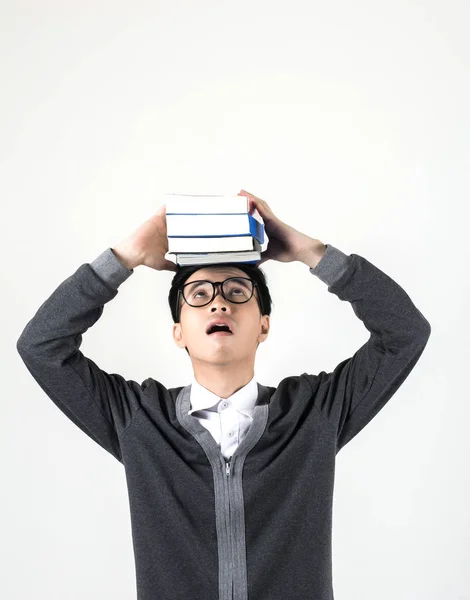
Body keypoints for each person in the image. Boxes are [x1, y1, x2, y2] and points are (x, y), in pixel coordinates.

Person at [16, 189, 431, 600]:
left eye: (236, 293)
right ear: (178, 332)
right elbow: (42, 346)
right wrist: (124, 257)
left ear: (263, 325)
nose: (219, 305)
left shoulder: (315, 412)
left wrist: (310, 251)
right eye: (199, 296)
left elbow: (404, 333)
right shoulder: (138, 419)